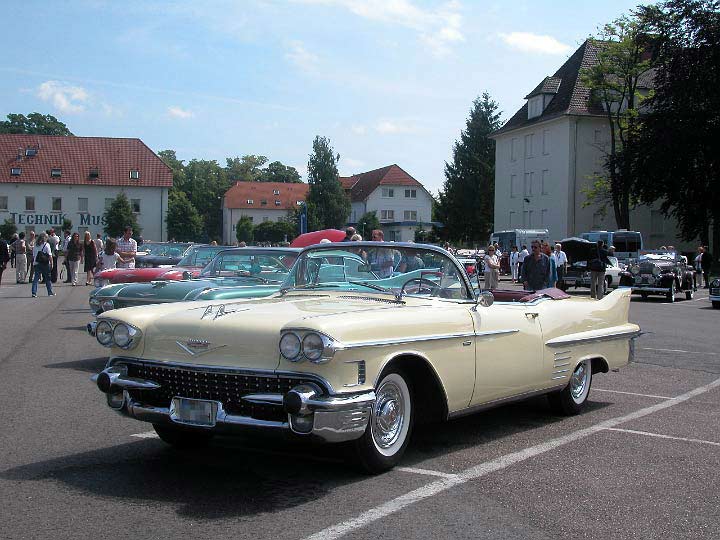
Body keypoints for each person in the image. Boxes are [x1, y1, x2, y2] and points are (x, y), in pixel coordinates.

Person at [31, 232, 54, 297]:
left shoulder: (35, 245)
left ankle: (34, 292)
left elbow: (33, 255)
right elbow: (50, 255)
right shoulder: (46, 245)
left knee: (36, 278)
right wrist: (51, 263)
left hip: (36, 263)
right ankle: (50, 292)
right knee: (47, 278)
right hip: (45, 263)